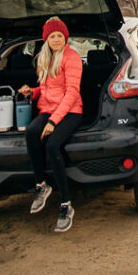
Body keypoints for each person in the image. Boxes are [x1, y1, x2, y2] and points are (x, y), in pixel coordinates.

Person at [18, 17, 83, 233]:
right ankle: (41, 185)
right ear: (46, 39)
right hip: (48, 109)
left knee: (52, 145)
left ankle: (66, 205)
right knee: (31, 133)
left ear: (66, 37)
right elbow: (47, 90)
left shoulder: (71, 58)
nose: (56, 39)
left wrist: (54, 122)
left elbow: (72, 93)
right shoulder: (45, 58)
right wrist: (32, 92)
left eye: (60, 36)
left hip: (71, 111)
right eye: (52, 36)